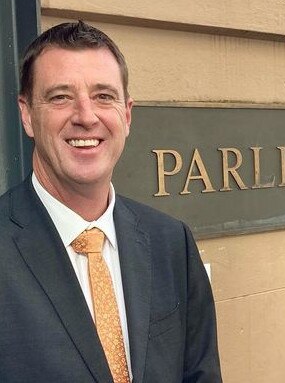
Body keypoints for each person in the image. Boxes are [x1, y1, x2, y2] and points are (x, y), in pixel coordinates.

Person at [0, 21, 222, 383]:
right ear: (27, 114)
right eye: (60, 97)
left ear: (127, 114)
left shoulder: (171, 243)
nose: (86, 116)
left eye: (104, 96)